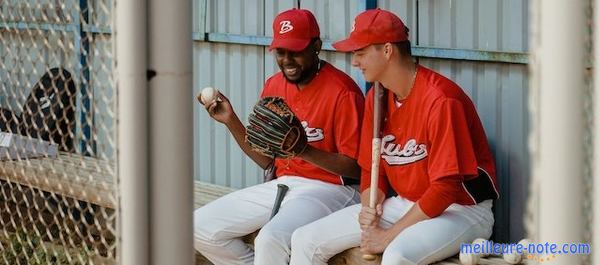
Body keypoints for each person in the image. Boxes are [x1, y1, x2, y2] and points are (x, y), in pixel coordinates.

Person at [290, 9, 499, 265]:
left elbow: (446, 188)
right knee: (304, 239)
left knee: (396, 256)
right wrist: (371, 204)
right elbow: (369, 169)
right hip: (406, 204)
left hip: (460, 210)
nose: (354, 62)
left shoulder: (442, 100)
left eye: (360, 52)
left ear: (387, 50)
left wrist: (387, 236)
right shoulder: (377, 98)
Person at [194, 8, 365, 265]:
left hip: (333, 189)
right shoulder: (274, 85)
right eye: (281, 52)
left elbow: (355, 170)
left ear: (316, 46)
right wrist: (231, 120)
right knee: (200, 226)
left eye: (295, 51)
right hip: (284, 183)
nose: (287, 60)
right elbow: (268, 161)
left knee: (271, 239)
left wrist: (303, 150)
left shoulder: (343, 92)